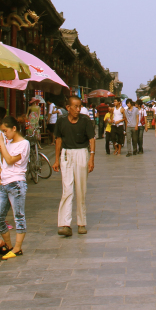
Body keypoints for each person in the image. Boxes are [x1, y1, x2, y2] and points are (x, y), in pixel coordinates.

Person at [53, 96, 96, 237]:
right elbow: (58, 140)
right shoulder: (61, 122)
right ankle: (65, 224)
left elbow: (91, 139)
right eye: (75, 107)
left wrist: (91, 158)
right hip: (66, 154)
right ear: (68, 108)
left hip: (82, 153)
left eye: (80, 106)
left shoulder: (85, 121)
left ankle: (81, 222)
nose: (78, 109)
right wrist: (57, 160)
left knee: (81, 190)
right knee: (67, 189)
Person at [0, 116, 30, 259]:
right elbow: (4, 163)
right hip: (5, 183)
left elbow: (10, 160)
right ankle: (9, 246)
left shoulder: (24, 144)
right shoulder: (7, 143)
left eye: (6, 131)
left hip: (16, 183)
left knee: (18, 216)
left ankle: (17, 248)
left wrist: (2, 144)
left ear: (14, 128)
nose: (5, 134)